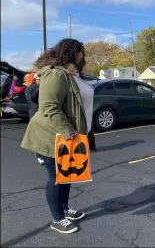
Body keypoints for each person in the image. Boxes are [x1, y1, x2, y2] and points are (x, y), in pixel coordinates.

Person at [21, 38, 94, 234]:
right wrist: (69, 132)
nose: (82, 56)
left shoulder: (71, 74)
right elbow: (49, 107)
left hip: (69, 135)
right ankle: (57, 218)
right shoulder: (55, 74)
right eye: (80, 52)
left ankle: (64, 208)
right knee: (55, 177)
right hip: (52, 135)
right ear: (72, 52)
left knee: (66, 175)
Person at [24, 73, 44, 165]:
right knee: (38, 136)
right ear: (35, 80)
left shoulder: (44, 88)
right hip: (35, 115)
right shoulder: (29, 89)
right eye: (40, 79)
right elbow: (31, 98)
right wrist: (40, 88)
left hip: (44, 114)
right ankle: (39, 156)